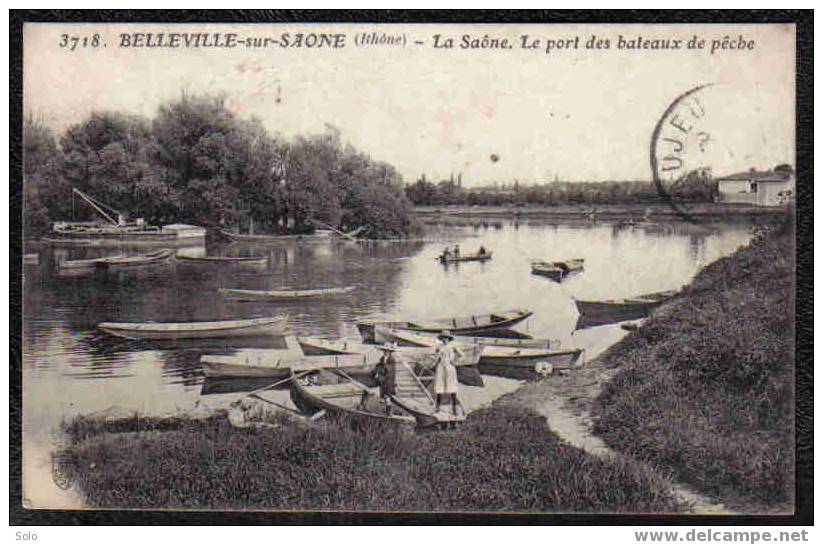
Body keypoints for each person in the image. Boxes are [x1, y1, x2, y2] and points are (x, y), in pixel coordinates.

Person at [433, 330, 462, 420]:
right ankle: (438, 407)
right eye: (443, 338)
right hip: (441, 367)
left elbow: (461, 354)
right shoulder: (439, 346)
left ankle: (454, 408)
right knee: (439, 386)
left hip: (449, 367)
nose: (445, 340)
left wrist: (454, 361)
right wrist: (435, 364)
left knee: (452, 387)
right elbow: (437, 357)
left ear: (449, 339)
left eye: (446, 338)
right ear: (441, 339)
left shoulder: (452, 346)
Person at [374, 342, 400, 415]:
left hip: (389, 380)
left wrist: (381, 373)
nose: (385, 352)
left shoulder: (391, 359)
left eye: (387, 351)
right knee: (384, 395)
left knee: (387, 396)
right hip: (383, 379)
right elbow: (379, 365)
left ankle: (389, 411)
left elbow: (390, 371)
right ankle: (387, 409)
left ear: (389, 352)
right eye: (384, 351)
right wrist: (376, 371)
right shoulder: (383, 358)